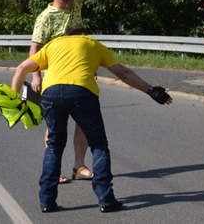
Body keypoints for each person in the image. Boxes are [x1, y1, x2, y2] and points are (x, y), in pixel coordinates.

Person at [10, 24, 173, 213]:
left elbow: (22, 67)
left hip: (51, 93)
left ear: (66, 35)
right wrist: (151, 91)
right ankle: (106, 200)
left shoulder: (53, 44)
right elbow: (123, 73)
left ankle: (47, 201)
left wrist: (15, 102)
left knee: (54, 145)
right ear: (83, 34)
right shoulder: (92, 43)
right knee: (98, 145)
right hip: (82, 93)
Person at [30, 0, 114, 184]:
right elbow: (34, 48)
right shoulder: (45, 17)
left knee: (82, 121)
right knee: (55, 127)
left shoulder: (75, 4)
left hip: (81, 73)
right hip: (55, 76)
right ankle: (54, 168)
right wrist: (36, 76)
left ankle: (80, 166)